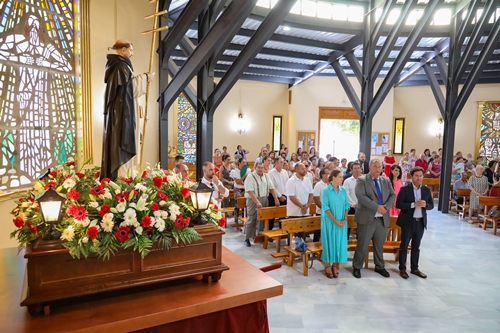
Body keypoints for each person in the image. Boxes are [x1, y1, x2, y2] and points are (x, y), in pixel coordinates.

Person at [101, 39, 153, 179]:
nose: (132, 54)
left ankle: (124, 175)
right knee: (122, 146)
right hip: (122, 115)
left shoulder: (117, 66)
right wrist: (146, 78)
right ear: (123, 50)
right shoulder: (120, 66)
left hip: (121, 112)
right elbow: (128, 89)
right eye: (130, 50)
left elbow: (126, 88)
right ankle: (123, 177)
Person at [352, 159, 395, 279]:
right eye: (375, 166)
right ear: (369, 168)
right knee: (363, 244)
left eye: (379, 167)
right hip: (367, 218)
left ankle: (380, 266)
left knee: (379, 245)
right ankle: (357, 266)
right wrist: (377, 207)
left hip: (382, 218)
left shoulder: (386, 181)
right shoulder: (362, 180)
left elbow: (392, 195)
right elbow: (361, 196)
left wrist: (385, 207)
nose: (378, 169)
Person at [396, 166, 434, 279]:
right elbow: (398, 205)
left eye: (420, 176)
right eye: (416, 176)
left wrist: (426, 205)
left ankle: (414, 268)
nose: (419, 178)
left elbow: (431, 205)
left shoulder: (426, 190)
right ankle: (402, 268)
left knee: (416, 246)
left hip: (420, 222)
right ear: (411, 177)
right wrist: (413, 204)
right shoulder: (404, 189)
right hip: (408, 221)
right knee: (404, 246)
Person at [321, 169, 350, 278]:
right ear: (333, 178)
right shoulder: (326, 190)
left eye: (342, 177)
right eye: (340, 177)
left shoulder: (343, 190)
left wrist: (345, 219)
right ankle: (327, 264)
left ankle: (334, 265)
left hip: (341, 222)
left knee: (338, 243)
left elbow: (347, 205)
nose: (342, 179)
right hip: (330, 221)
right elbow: (325, 207)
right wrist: (335, 221)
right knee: (329, 242)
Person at [244, 162, 279, 247]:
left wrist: (276, 198)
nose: (260, 169)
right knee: (252, 219)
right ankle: (247, 238)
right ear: (255, 168)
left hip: (264, 198)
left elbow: (271, 188)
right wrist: (257, 202)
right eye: (258, 167)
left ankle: (259, 237)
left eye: (261, 168)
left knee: (262, 220)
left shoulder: (266, 176)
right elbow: (250, 191)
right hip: (253, 200)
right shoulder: (250, 176)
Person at [286, 163, 314, 241]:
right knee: (292, 233)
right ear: (297, 170)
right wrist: (301, 206)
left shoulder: (307, 180)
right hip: (294, 212)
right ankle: (291, 250)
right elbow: (291, 197)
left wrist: (308, 205)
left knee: (302, 233)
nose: (305, 170)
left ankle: (301, 250)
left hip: (305, 211)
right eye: (302, 169)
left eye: (305, 168)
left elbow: (311, 194)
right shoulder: (291, 181)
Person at [268, 157, 289, 230]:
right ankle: (269, 231)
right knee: (272, 215)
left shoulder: (285, 172)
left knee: (283, 215)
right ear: (276, 163)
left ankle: (282, 230)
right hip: (274, 196)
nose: (282, 164)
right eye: (281, 162)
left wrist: (284, 195)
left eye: (283, 162)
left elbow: (287, 184)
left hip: (284, 195)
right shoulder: (271, 172)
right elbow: (272, 186)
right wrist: (279, 196)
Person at [313, 167, 330, 242]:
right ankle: (315, 246)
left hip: (329, 212)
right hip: (321, 212)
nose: (329, 175)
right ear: (323, 175)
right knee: (318, 231)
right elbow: (316, 199)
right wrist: (324, 208)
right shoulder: (318, 185)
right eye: (327, 173)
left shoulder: (330, 185)